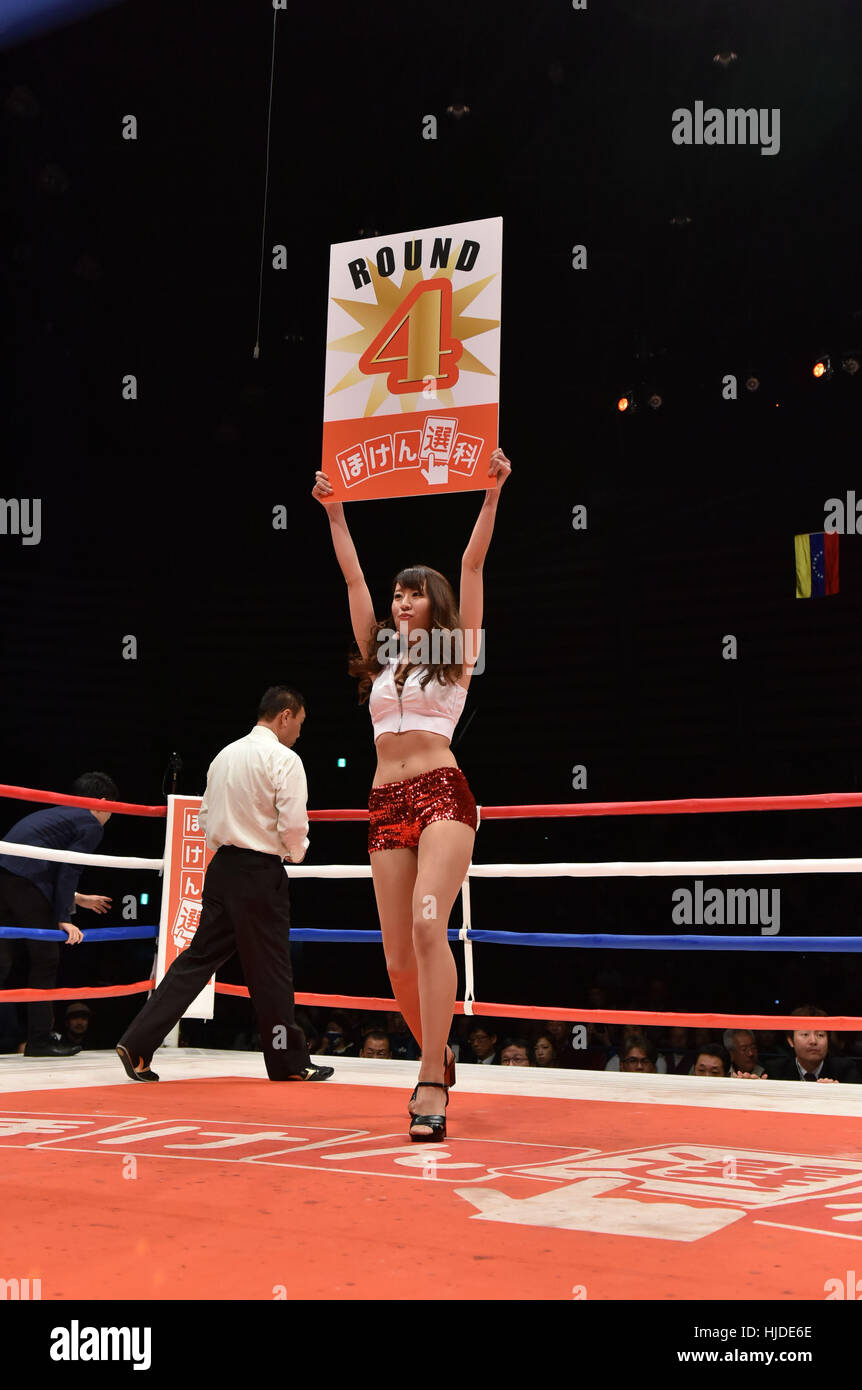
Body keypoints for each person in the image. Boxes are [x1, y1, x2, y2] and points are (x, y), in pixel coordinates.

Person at [313, 448, 512, 1140]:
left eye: (414, 592)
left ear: (435, 605)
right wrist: (335, 510)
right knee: (396, 955)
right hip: (383, 803)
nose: (401, 601)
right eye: (398, 593)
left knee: (432, 924)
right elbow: (351, 575)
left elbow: (473, 567)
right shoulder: (380, 656)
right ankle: (439, 1046)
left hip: (442, 797)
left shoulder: (454, 652)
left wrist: (489, 497)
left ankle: (430, 1077)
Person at [116, 687, 333, 1084]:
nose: (299, 733)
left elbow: (203, 816)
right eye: (299, 724)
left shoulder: (223, 755)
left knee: (197, 960)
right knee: (271, 969)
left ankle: (137, 1043)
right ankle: (290, 1062)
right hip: (258, 872)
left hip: (221, 870)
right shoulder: (284, 758)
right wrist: (295, 852)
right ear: (285, 716)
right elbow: (294, 824)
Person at [0, 772, 116, 1057]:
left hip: (7, 878)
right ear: (102, 803)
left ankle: (37, 1036)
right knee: (46, 959)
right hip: (23, 882)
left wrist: (77, 899)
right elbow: (68, 869)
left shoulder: (59, 815)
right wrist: (64, 916)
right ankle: (39, 1039)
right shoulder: (90, 823)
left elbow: (42, 868)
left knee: (1, 960)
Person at [767, 1005, 860, 1083]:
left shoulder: (845, 1069)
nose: (813, 1041)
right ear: (791, 1041)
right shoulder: (775, 1070)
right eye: (805, 1034)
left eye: (820, 1035)